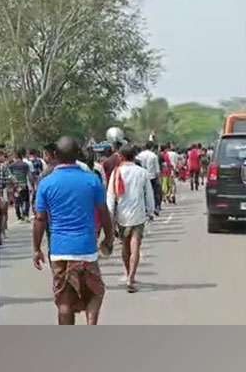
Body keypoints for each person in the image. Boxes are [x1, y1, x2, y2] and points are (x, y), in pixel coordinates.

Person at [33, 137, 114, 325]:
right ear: (78, 155)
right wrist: (109, 238)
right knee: (95, 291)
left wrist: (36, 248)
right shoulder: (92, 180)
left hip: (59, 250)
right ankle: (91, 322)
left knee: (64, 301)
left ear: (54, 155)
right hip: (86, 248)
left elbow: (40, 218)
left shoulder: (46, 183)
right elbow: (103, 212)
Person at [107, 145, 155, 293]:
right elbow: (149, 194)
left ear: (121, 157)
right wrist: (151, 211)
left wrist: (110, 218)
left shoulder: (116, 173)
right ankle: (131, 277)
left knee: (125, 247)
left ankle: (128, 272)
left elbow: (111, 197)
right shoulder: (142, 172)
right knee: (135, 248)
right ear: (134, 156)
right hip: (138, 215)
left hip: (122, 216)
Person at [137, 141, 161, 214]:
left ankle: (144, 208)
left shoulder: (140, 155)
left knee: (143, 193)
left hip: (142, 176)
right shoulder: (153, 155)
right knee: (154, 193)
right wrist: (158, 178)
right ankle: (155, 207)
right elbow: (157, 169)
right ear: (152, 147)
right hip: (152, 177)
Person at [10, 149, 31, 222]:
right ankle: (26, 215)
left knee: (17, 201)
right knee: (26, 200)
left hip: (16, 187)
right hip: (24, 185)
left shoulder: (12, 166)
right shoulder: (25, 165)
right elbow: (29, 176)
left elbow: (11, 176)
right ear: (22, 156)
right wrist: (32, 185)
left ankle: (19, 216)